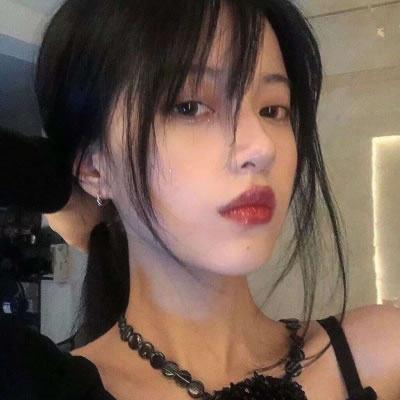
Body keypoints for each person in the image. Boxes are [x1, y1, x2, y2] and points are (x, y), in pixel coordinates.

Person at [1, 0, 400, 399]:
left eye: (272, 109)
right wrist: (57, 184)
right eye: (189, 107)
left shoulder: (383, 354)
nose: (262, 147)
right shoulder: (48, 387)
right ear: (93, 168)